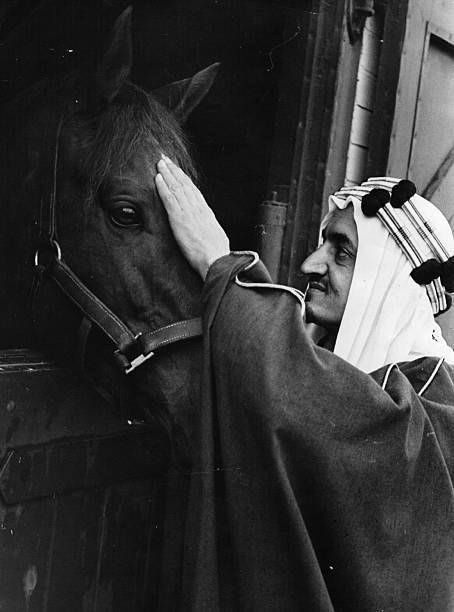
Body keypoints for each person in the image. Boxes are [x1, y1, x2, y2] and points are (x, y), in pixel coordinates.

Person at [155, 156, 454, 611]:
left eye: (342, 252)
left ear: (390, 280)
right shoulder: (369, 372)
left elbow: (315, 403)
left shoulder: (432, 400)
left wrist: (221, 266)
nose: (310, 264)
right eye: (322, 243)